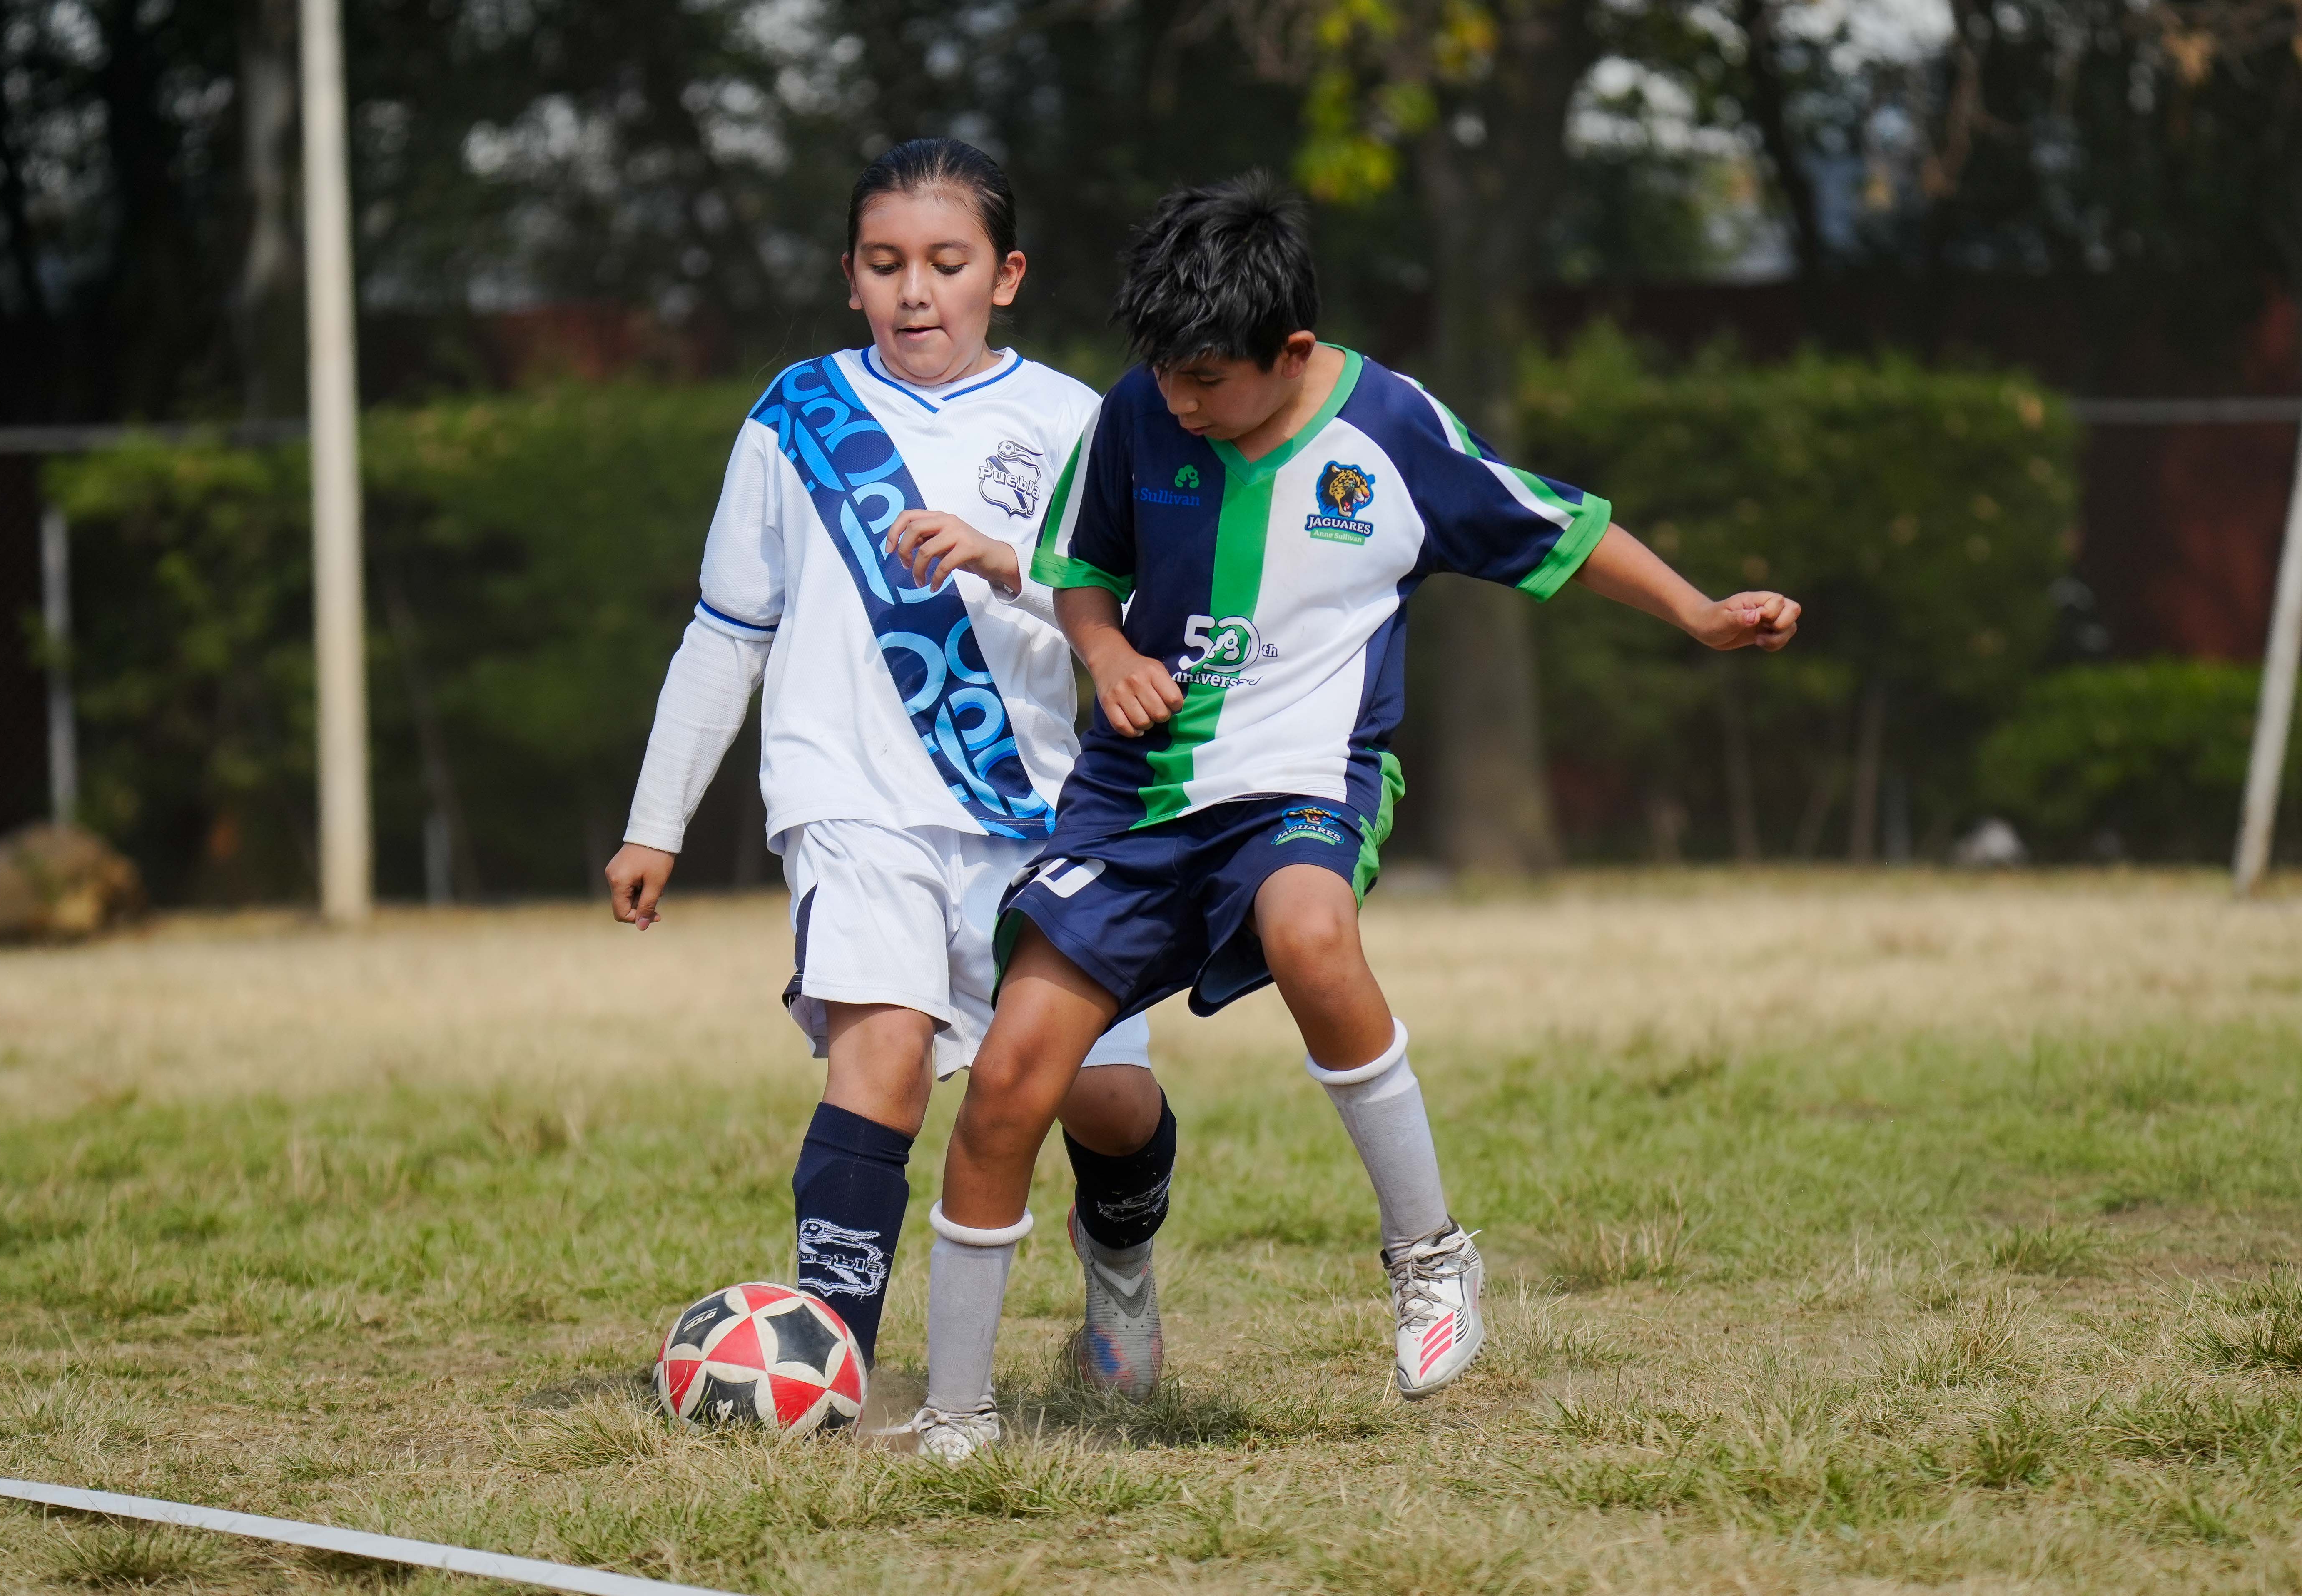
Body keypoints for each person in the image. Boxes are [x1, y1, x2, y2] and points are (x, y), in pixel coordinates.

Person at [908, 173, 1801, 1458]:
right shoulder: (1133, 416)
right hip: (1135, 797)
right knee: (1006, 1085)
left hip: (1309, 778)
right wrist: (1103, 657)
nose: (1180, 402)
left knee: (1311, 932)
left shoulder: (1389, 429)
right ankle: (955, 1414)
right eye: (1163, 372)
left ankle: (1432, 1257)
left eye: (1208, 378)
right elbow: (1079, 579)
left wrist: (1704, 611)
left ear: (1295, 355)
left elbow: (1563, 527)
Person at [604, 139, 1180, 1421]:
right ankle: (833, 1375)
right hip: (849, 802)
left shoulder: (1079, 421)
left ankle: (1122, 1256)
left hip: (1037, 815)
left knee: (1102, 1096)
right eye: (885, 264)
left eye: (946, 262)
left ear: (1007, 276)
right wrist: (658, 823)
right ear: (852, 278)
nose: (915, 290)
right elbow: (726, 629)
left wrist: (1005, 557)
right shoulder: (794, 414)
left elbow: (1144, 609)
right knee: (883, 1065)